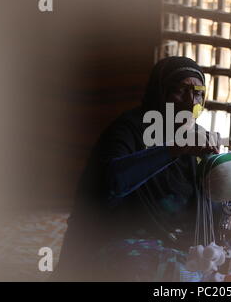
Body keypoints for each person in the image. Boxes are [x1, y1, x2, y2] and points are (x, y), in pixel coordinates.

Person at [51, 56, 221, 281]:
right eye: (180, 90)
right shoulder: (128, 130)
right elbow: (111, 184)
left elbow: (204, 202)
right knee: (170, 273)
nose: (191, 102)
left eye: (198, 92)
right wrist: (171, 150)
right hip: (114, 240)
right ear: (159, 94)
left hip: (173, 243)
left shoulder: (195, 139)